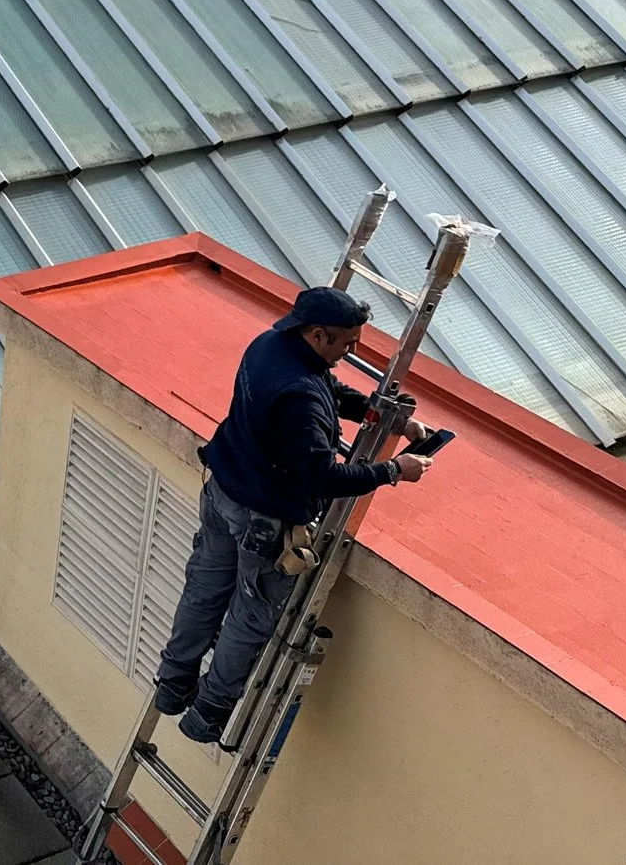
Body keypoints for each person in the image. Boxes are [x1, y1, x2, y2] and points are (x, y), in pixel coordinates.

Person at [154, 285, 434, 745]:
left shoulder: (270, 345)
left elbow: (327, 387)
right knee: (249, 614)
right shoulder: (299, 399)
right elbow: (322, 477)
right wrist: (393, 471)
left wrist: (390, 419)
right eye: (347, 342)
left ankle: (172, 684)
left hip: (223, 491)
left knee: (203, 591)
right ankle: (207, 713)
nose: (351, 352)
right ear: (318, 334)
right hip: (262, 518)